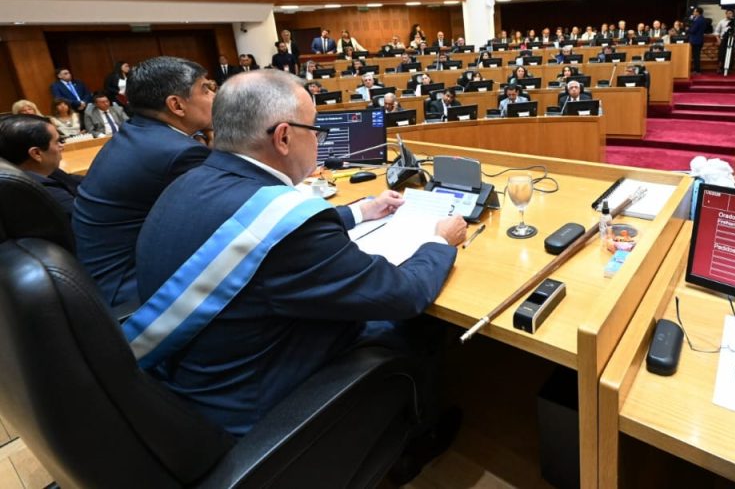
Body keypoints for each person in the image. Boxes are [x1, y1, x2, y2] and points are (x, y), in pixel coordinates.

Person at [131, 69, 466, 437]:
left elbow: (253, 228)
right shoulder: (295, 233)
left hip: (191, 381)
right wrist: (439, 242)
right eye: (316, 129)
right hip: (255, 406)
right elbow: (403, 293)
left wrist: (359, 211)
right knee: (421, 321)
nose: (319, 140)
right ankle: (417, 439)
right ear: (284, 137)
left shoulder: (187, 184)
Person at [73, 57, 215, 308]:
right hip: (131, 290)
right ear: (176, 105)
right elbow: (219, 220)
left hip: (100, 278)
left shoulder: (136, 132)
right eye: (205, 89)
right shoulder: (178, 152)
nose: (215, 96)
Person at [0, 114, 82, 217]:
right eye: (57, 142)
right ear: (36, 154)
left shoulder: (44, 170)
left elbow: (72, 179)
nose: (62, 146)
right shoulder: (47, 195)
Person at [713, 8, 735, 74]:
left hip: (732, 38)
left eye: (730, 13)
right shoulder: (721, 21)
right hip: (722, 39)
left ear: (733, 14)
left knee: (731, 54)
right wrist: (718, 39)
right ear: (725, 14)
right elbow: (716, 31)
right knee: (721, 53)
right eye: (728, 13)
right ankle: (721, 68)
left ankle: (729, 68)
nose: (729, 14)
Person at [686, 7, 711, 73]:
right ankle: (696, 69)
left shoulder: (699, 20)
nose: (693, 13)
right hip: (699, 40)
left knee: (696, 56)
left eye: (694, 11)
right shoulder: (700, 19)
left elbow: (693, 30)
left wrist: (687, 29)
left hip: (696, 40)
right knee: (696, 56)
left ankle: (697, 70)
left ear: (698, 12)